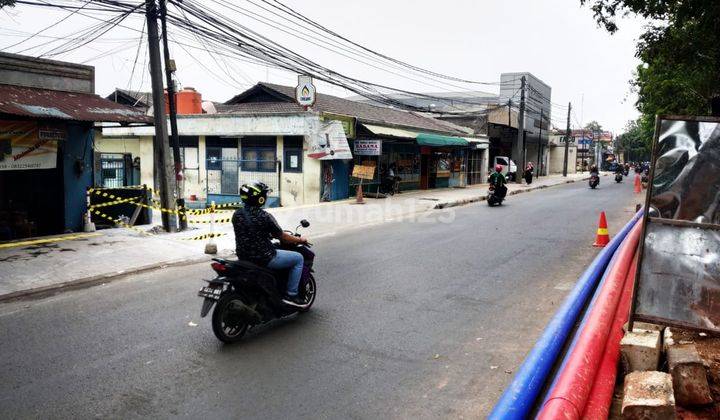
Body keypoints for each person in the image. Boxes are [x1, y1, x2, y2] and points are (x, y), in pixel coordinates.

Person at [232, 181, 309, 307]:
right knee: (298, 258)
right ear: (260, 198)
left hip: (243, 256)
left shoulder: (237, 214)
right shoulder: (264, 216)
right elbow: (282, 237)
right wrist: (300, 240)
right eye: (264, 194)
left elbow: (249, 231)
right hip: (265, 257)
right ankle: (291, 294)